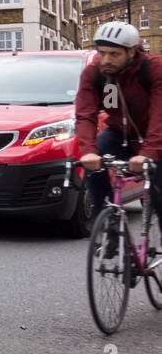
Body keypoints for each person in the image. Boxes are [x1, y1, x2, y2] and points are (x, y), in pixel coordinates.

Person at [75, 21, 162, 218]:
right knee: (96, 158)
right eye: (101, 52)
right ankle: (107, 227)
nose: (105, 60)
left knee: (159, 197)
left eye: (114, 54)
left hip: (157, 138)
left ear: (131, 52)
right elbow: (85, 114)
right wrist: (88, 152)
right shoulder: (95, 73)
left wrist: (148, 153)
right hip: (120, 134)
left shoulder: (155, 68)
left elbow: (159, 115)